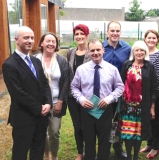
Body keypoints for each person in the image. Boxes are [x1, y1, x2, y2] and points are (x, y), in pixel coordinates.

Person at [2, 26, 52, 160]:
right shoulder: (9, 65)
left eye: (32, 37)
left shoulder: (35, 61)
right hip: (23, 118)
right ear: (16, 40)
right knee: (20, 152)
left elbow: (44, 84)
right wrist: (39, 108)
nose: (30, 40)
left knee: (38, 151)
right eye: (26, 38)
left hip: (41, 117)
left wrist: (48, 103)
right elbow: (18, 93)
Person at [71, 39, 124, 160]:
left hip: (105, 109)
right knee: (88, 139)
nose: (95, 52)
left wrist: (109, 98)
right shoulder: (81, 69)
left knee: (104, 140)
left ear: (103, 50)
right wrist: (81, 100)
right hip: (87, 109)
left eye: (98, 49)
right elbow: (74, 87)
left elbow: (120, 87)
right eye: (92, 50)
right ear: (88, 52)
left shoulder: (112, 69)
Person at [119, 41, 158, 160]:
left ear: (145, 52)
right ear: (133, 52)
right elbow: (120, 83)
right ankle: (129, 155)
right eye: (137, 50)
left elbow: (153, 88)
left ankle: (135, 156)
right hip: (127, 106)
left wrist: (152, 107)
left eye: (142, 50)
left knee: (138, 133)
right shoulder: (127, 64)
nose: (139, 52)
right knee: (127, 132)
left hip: (142, 106)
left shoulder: (149, 66)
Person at [35, 32, 69, 160]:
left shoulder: (61, 60)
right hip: (40, 104)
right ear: (42, 43)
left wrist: (60, 101)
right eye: (47, 41)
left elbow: (66, 81)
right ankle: (47, 156)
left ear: (56, 44)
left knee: (54, 132)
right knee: (42, 132)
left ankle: (55, 156)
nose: (50, 44)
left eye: (53, 41)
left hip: (56, 103)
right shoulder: (34, 60)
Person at [103, 20, 131, 159]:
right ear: (107, 31)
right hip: (103, 92)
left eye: (117, 31)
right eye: (112, 30)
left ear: (120, 32)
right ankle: (104, 149)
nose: (114, 33)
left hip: (121, 93)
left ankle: (118, 148)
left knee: (120, 121)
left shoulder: (127, 48)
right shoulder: (100, 48)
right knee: (104, 121)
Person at [139, 29, 159, 159]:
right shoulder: (142, 53)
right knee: (147, 119)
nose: (151, 40)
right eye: (149, 38)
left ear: (157, 40)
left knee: (156, 119)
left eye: (154, 38)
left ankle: (156, 147)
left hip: (156, 91)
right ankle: (149, 143)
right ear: (145, 39)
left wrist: (152, 97)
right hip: (143, 92)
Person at [67, 24, 91, 160]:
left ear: (87, 35)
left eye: (82, 34)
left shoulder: (92, 51)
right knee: (77, 126)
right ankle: (80, 152)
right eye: (77, 34)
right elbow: (69, 75)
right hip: (72, 96)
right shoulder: (70, 52)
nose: (79, 36)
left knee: (87, 125)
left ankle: (89, 151)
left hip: (88, 96)